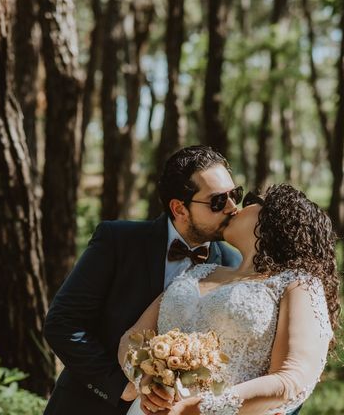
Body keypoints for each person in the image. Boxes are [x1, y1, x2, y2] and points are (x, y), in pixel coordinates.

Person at [43, 146, 243, 415]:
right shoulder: (117, 241)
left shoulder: (232, 264)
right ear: (179, 208)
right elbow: (62, 323)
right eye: (218, 201)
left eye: (235, 195)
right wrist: (118, 385)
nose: (232, 208)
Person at [118, 184, 340, 415]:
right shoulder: (198, 272)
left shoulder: (297, 283)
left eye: (249, 201)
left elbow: (293, 378)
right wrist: (144, 379)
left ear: (277, 218)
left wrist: (199, 408)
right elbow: (133, 338)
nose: (232, 208)